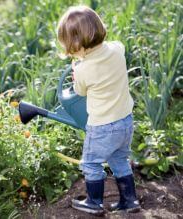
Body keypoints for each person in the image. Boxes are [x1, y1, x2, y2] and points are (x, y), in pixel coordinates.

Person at [57, 6, 141, 215]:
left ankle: (94, 202)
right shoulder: (116, 50)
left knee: (91, 163)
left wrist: (76, 71)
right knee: (119, 160)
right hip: (125, 120)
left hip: (102, 126)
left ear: (76, 45)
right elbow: (118, 46)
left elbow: (80, 91)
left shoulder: (83, 69)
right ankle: (129, 201)